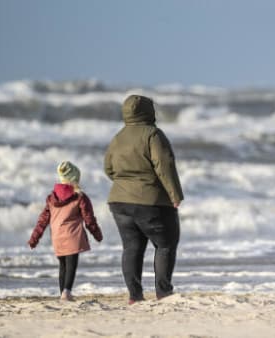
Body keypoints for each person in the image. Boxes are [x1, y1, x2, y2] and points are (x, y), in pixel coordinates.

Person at [104, 94, 184, 304]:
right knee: (165, 244)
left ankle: (135, 296)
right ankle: (164, 292)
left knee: (131, 247)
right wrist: (175, 195)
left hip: (119, 201)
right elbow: (164, 166)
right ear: (149, 112)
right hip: (151, 201)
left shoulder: (118, 137)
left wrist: (124, 184)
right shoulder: (153, 134)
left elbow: (109, 168)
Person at [28, 161, 103, 301]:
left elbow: (42, 220)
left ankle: (63, 292)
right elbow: (89, 218)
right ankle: (67, 292)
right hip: (73, 236)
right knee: (71, 264)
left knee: (62, 265)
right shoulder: (80, 197)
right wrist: (97, 234)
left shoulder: (51, 198)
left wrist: (34, 238)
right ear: (74, 179)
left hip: (57, 237)